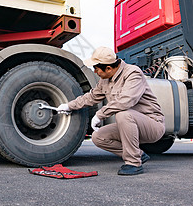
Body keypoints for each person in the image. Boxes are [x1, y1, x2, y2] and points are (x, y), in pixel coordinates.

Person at [57, 46, 165, 175]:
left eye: (96, 68)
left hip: (152, 125)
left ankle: (133, 163)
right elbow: (91, 97)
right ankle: (139, 154)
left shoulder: (132, 73)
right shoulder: (105, 80)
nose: (95, 72)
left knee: (123, 114)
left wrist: (100, 114)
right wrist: (69, 106)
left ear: (108, 68)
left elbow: (126, 101)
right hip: (130, 125)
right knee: (98, 137)